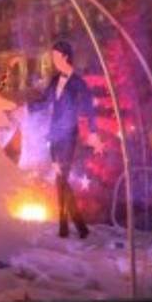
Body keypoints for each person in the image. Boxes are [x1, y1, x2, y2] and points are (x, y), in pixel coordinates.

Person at [29, 40, 103, 239]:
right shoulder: (54, 80)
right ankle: (71, 226)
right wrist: (26, 109)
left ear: (65, 57)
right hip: (54, 136)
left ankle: (73, 226)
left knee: (62, 177)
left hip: (69, 135)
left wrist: (94, 133)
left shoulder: (78, 83)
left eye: (55, 56)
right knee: (59, 180)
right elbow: (45, 102)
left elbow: (89, 109)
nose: (52, 60)